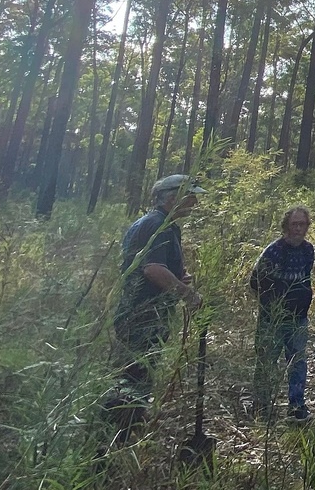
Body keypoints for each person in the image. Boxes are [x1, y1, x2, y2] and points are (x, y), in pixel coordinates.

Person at [106, 174, 206, 442]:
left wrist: (176, 277)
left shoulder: (166, 225)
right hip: (141, 317)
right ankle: (113, 439)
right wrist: (188, 294)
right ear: (173, 197)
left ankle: (126, 430)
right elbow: (152, 270)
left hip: (149, 315)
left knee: (139, 375)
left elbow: (154, 268)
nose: (195, 201)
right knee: (131, 377)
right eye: (190, 195)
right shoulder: (156, 225)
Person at [249, 206, 315, 422]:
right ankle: (261, 407)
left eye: (302, 224)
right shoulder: (274, 251)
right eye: (294, 224)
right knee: (267, 362)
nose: (298, 229)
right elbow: (256, 281)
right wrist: (273, 306)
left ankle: (296, 407)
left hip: (298, 319)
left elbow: (305, 278)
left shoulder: (308, 250)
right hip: (273, 319)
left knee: (297, 362)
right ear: (286, 225)